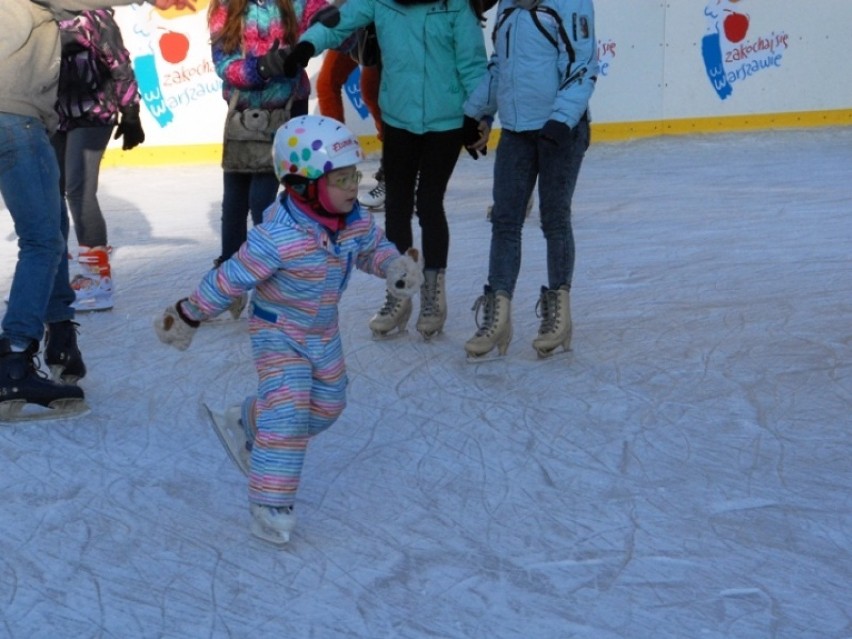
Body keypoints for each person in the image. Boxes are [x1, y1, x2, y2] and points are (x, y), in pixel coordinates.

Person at [154, 115, 422, 545]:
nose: (354, 186)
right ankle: (270, 503)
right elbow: (229, 279)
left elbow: (370, 248)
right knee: (288, 410)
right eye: (342, 178)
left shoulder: (351, 221)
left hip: (322, 332)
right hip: (277, 333)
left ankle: (247, 421)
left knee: (330, 405)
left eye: (356, 174)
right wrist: (189, 314)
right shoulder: (275, 238)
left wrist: (393, 265)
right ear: (304, 183)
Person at [0, 0, 194, 421]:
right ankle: (14, 359)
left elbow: (115, 54)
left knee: (50, 225)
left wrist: (129, 107)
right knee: (42, 240)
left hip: (41, 117)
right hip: (16, 117)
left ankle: (61, 338)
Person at [275, 0, 489, 341]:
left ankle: (433, 296)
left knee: (430, 203)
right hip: (399, 117)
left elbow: (474, 65)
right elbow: (338, 21)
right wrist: (308, 44)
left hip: (446, 121)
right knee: (397, 206)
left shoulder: (454, 6)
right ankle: (400, 289)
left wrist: (479, 115)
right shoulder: (381, 1)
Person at [462, 0, 598, 359]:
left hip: (561, 131)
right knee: (505, 220)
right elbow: (500, 67)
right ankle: (499, 316)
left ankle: (559, 316)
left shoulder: (570, 5)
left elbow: (583, 67)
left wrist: (561, 118)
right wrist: (477, 112)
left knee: (554, 219)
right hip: (517, 133)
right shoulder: (507, 6)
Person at [208, 0, 328, 318]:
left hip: (288, 111)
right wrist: (261, 68)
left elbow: (318, 15)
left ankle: (273, 279)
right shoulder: (226, 6)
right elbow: (223, 62)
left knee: (263, 200)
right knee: (233, 200)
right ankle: (230, 280)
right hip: (244, 114)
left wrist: (325, 18)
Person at [53, 8, 145, 312]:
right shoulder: (41, 13)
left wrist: (130, 111)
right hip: (55, 114)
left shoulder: (94, 16)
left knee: (78, 189)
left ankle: (98, 277)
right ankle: (55, 279)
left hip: (95, 112)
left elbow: (118, 61)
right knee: (53, 189)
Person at [315, 15, 385, 209]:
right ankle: (338, 164)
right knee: (327, 82)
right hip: (351, 20)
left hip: (382, 21)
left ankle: (396, 164)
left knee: (372, 91)